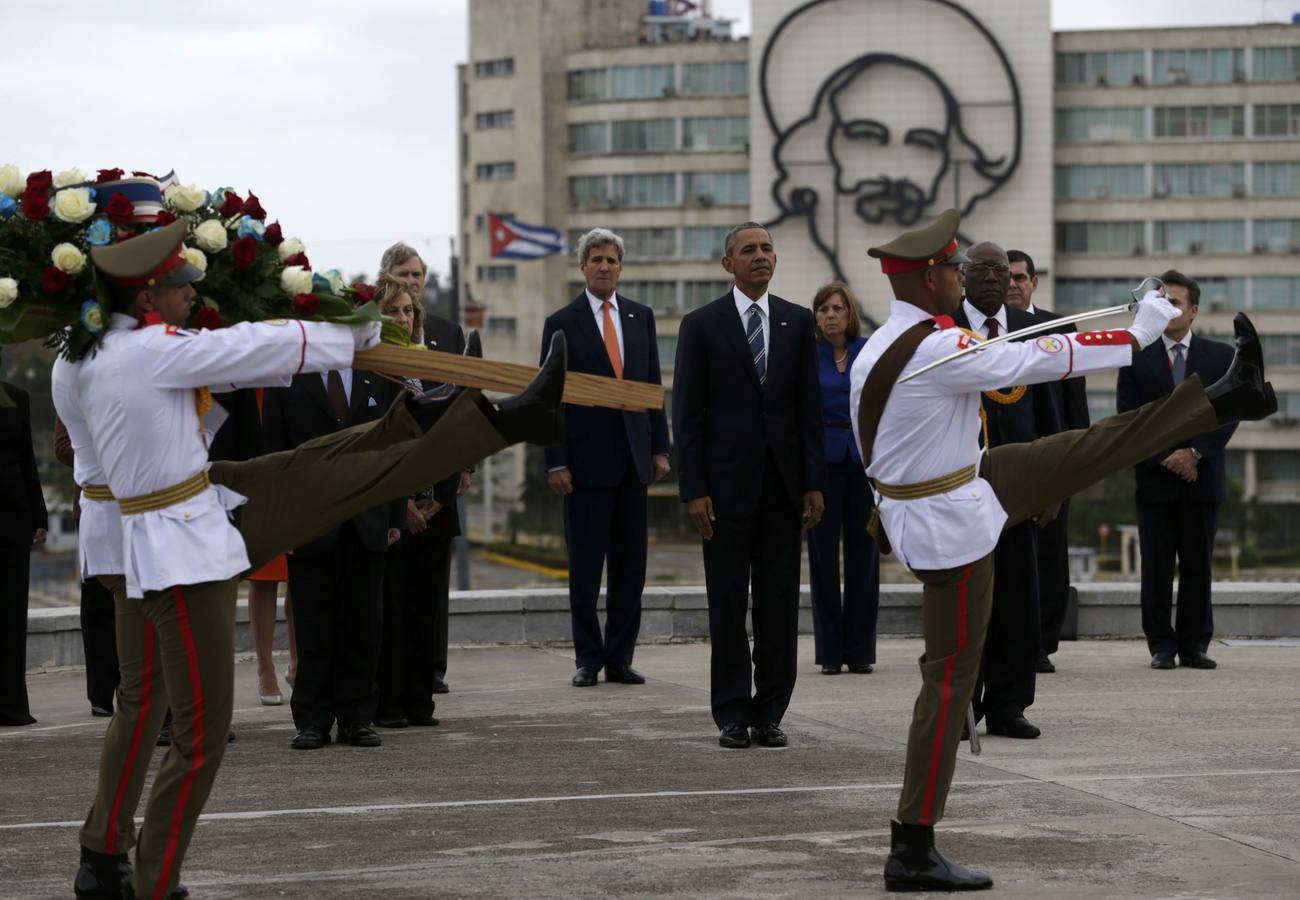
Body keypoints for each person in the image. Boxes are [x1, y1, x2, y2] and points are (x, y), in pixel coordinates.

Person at [56, 219, 568, 900]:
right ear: (146, 298)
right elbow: (255, 348)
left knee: (312, 466)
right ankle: (154, 884)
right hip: (180, 543)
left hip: (162, 520)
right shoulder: (151, 350)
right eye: (181, 285)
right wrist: (356, 331)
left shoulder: (82, 355)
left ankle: (101, 855)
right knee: (202, 732)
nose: (192, 295)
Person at [848, 208, 1275, 892]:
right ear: (930, 280)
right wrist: (1137, 332)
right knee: (949, 682)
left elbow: (1023, 348)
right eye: (954, 267)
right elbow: (1037, 357)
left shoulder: (894, 339)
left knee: (1086, 448)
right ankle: (912, 846)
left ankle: (1226, 396)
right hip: (947, 523)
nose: (961, 275)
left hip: (966, 480)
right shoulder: (934, 347)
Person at [673, 222, 825, 749]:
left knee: (778, 606)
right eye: (749, 250)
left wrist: (813, 482)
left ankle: (771, 711)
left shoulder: (797, 322)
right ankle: (733, 713)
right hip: (723, 493)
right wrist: (693, 488)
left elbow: (808, 410)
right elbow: (687, 415)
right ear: (728, 264)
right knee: (728, 605)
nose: (761, 256)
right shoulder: (701, 325)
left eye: (767, 248)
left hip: (784, 490)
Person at [261, 320, 406, 751]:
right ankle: (312, 719)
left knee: (363, 625)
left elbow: (394, 449)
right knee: (312, 625)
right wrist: (280, 522)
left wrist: (395, 513)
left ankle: (357, 717)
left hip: (367, 518)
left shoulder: (377, 375)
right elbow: (274, 456)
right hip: (309, 521)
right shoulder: (290, 378)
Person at [541, 228, 671, 687]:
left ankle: (619, 657)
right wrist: (556, 461)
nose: (604, 266)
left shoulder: (641, 317)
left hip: (634, 461)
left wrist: (660, 447)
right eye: (596, 259)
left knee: (630, 570)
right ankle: (588, 659)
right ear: (582, 266)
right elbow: (549, 395)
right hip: (583, 467)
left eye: (611, 260)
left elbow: (652, 384)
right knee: (585, 571)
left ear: (620, 266)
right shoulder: (561, 321)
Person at [953, 242, 1064, 740]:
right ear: (963, 276)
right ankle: (962, 705)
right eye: (982, 269)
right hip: (959, 487)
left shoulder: (1029, 329)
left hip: (1018, 489)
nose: (994, 277)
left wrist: (1052, 486)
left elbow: (1049, 416)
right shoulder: (944, 328)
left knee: (1018, 598)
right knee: (965, 603)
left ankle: (1009, 705)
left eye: (1001, 270)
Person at [1118, 269, 1237, 671]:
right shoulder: (1136, 356)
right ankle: (1161, 646)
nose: (1167, 309)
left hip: (1203, 478)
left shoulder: (1220, 357)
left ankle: (1195, 644)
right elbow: (1128, 419)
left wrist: (1195, 453)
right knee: (1156, 567)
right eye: (1161, 302)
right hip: (1155, 478)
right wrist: (1166, 457)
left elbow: (1230, 412)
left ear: (1194, 311)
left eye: (1175, 303)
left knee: (1198, 566)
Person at [379, 241, 469, 693]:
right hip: (393, 489)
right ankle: (396, 678)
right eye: (404, 274)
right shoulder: (377, 342)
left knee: (433, 589)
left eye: (418, 275)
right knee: (395, 590)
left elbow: (461, 406)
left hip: (442, 484)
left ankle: (431, 672)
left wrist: (461, 469)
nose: (412, 282)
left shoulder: (448, 334)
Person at [1006, 249, 1090, 673]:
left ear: (1034, 283)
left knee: (1050, 554)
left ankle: (1041, 643)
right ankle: (1009, 641)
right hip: (1004, 462)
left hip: (1053, 458)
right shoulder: (985, 332)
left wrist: (1077, 458)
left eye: (1020, 277)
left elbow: (1075, 400)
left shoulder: (1059, 328)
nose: (1012, 284)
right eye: (1006, 277)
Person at [806, 282, 878, 676]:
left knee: (864, 555)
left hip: (864, 462)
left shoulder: (869, 350)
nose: (830, 315)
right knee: (822, 557)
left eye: (837, 308)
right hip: (822, 465)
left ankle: (860, 650)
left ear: (850, 313)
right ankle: (830, 653)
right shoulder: (806, 355)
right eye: (823, 309)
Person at [54, 417, 120, 718]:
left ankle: (133, 688)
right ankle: (101, 693)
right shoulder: (76, 387)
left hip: (138, 506)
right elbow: (62, 447)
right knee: (97, 603)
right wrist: (105, 454)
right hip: (92, 507)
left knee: (137, 602)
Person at [0, 368, 47, 727]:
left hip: (14, 519)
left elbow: (27, 458)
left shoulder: (17, 397)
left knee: (12, 615)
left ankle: (11, 705)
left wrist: (39, 515)